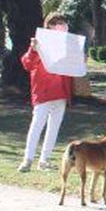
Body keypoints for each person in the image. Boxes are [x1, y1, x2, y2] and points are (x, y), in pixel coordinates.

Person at [18, 12, 76, 172]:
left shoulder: (68, 43)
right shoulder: (40, 43)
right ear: (49, 26)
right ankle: (27, 160)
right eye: (57, 23)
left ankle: (44, 160)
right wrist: (33, 49)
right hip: (43, 93)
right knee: (36, 125)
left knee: (53, 128)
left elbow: (74, 67)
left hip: (61, 93)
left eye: (63, 23)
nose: (62, 26)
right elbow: (27, 64)